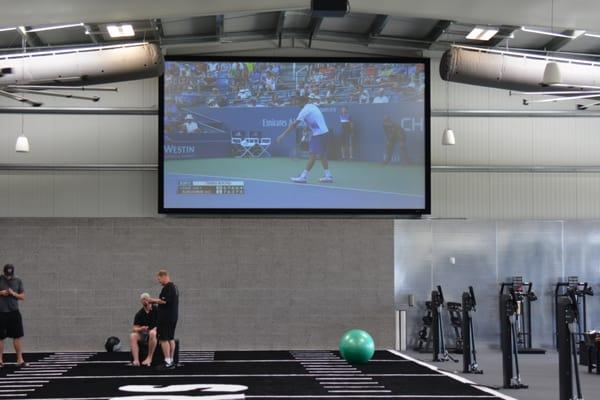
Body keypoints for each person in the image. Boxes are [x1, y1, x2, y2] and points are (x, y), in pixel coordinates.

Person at [276, 95, 333, 183]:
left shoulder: (305, 110)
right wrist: (307, 128)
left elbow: (293, 125)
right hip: (324, 133)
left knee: (312, 155)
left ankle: (304, 176)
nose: (294, 102)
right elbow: (314, 119)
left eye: (296, 100)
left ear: (302, 102)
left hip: (319, 135)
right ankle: (328, 175)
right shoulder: (312, 107)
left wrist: (282, 136)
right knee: (322, 155)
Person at [147, 270, 179, 370]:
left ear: (164, 276)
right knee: (170, 338)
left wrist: (152, 300)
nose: (159, 281)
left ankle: (167, 361)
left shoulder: (168, 287)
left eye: (159, 279)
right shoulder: (174, 287)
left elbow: (164, 301)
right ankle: (171, 361)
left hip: (166, 318)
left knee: (164, 339)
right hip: (172, 317)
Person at [0, 264, 26, 368]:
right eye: (7, 274)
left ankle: (20, 360)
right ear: (4, 272)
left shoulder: (18, 280)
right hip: (1, 312)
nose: (8, 276)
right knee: (0, 337)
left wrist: (13, 293)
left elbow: (23, 296)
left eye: (10, 275)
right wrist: (1, 292)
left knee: (17, 336)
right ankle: (0, 361)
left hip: (14, 312)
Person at [129, 293, 158, 367]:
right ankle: (136, 360)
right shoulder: (139, 314)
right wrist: (141, 328)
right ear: (141, 301)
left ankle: (149, 357)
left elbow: (163, 322)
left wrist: (156, 328)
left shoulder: (157, 310)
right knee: (133, 335)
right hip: (144, 333)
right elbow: (134, 328)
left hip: (156, 332)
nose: (145, 301)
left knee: (152, 333)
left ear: (150, 299)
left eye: (147, 298)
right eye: (143, 299)